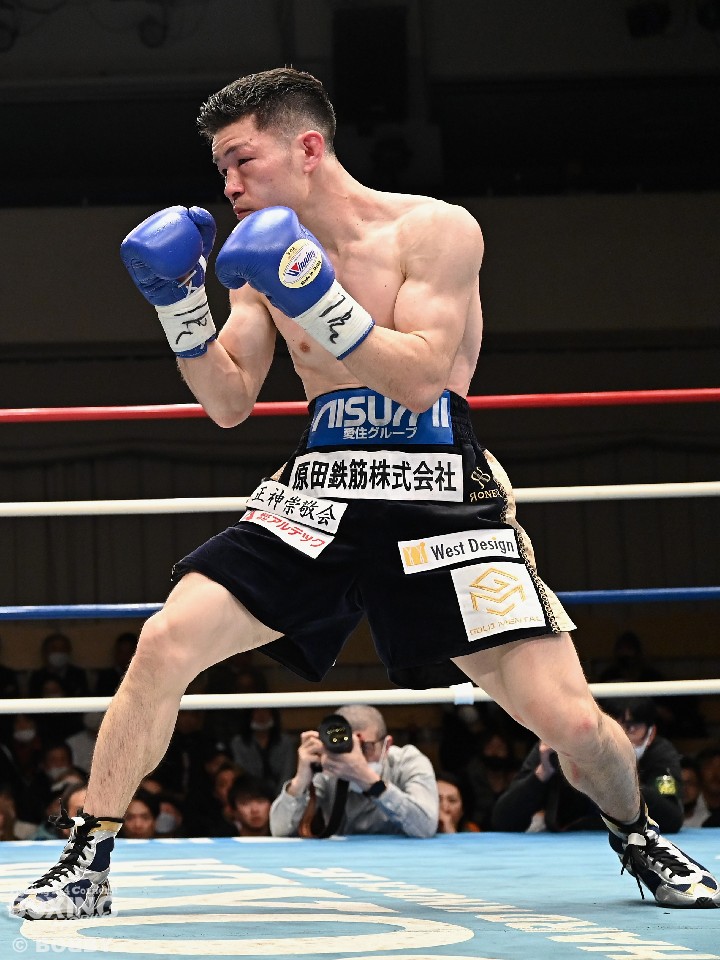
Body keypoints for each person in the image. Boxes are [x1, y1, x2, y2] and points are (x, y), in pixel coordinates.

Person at [11, 66, 719, 920]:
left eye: (241, 161)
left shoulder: (435, 230)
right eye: (220, 168)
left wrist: (315, 294)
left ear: (308, 148)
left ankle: (638, 834)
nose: (227, 185)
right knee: (164, 641)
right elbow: (229, 400)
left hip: (437, 486)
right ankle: (87, 858)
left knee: (569, 721)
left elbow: (421, 380)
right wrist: (179, 308)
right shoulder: (255, 264)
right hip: (323, 484)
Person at [492, 698, 684, 834]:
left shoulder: (659, 753)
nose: (620, 737)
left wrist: (622, 776)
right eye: (612, 727)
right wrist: (542, 773)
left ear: (651, 734)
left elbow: (672, 819)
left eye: (631, 728)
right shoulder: (560, 745)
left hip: (629, 843)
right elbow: (503, 821)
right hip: (565, 846)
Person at [269, 704, 437, 838]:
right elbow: (279, 830)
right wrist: (300, 782)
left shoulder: (407, 761)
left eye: (365, 747)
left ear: (387, 746)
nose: (355, 757)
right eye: (348, 746)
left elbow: (426, 826)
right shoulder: (327, 767)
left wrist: (370, 781)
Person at [229, 706, 298, 795]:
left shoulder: (286, 742)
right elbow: (241, 772)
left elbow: (287, 773)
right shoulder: (238, 743)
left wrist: (281, 797)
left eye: (266, 711)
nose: (261, 715)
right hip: (250, 793)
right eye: (257, 711)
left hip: (281, 793)